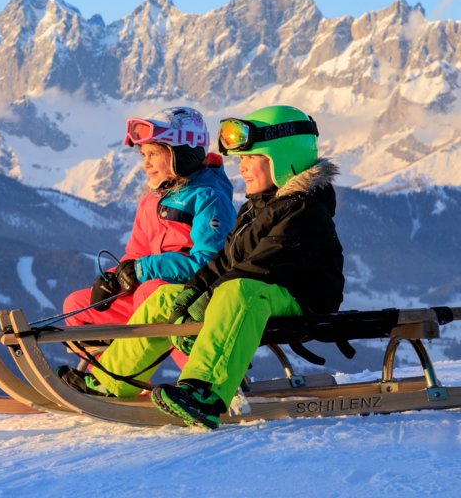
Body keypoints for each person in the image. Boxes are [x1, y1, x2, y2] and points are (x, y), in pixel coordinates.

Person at [59, 105, 345, 429]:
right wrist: (193, 292)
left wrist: (206, 298)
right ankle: (110, 382)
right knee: (163, 299)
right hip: (254, 292)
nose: (243, 169)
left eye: (251, 158)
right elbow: (224, 260)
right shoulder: (259, 208)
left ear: (281, 158)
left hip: (298, 301)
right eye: (241, 160)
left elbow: (259, 267)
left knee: (239, 290)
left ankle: (204, 392)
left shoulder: (304, 212)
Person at [62, 106, 236, 345]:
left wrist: (144, 269)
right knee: (78, 305)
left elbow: (209, 263)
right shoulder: (151, 200)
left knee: (150, 292)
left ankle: (195, 377)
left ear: (182, 153)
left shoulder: (208, 198)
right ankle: (103, 377)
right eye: (144, 155)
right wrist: (115, 278)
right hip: (149, 297)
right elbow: (137, 254)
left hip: (193, 298)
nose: (146, 164)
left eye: (153, 154)